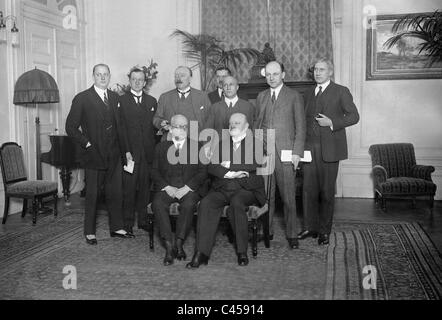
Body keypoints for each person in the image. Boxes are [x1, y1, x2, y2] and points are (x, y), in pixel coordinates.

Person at [186, 113, 266, 268]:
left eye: (237, 122)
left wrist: (228, 164)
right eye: (231, 122)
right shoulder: (222, 144)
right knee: (206, 203)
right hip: (223, 187)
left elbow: (253, 163)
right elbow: (212, 167)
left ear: (246, 126)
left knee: (237, 203)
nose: (233, 125)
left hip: (245, 188)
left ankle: (242, 252)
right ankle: (201, 253)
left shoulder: (255, 143)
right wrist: (230, 172)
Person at [66, 64, 132, 245]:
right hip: (94, 155)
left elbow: (121, 128)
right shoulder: (82, 98)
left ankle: (117, 227)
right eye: (98, 74)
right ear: (93, 76)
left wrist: (126, 152)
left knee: (115, 193)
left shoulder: (114, 97)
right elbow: (70, 127)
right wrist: (86, 143)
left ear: (109, 76)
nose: (102, 77)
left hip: (115, 154)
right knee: (93, 195)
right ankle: (89, 232)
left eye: (105, 74)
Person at [298, 58, 359, 245]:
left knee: (326, 192)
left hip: (330, 150)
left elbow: (354, 116)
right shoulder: (307, 93)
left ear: (330, 72)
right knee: (308, 191)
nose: (318, 73)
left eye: (322, 70)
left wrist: (332, 122)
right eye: (316, 69)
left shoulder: (341, 91)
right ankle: (310, 227)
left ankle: (324, 230)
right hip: (309, 149)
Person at [254, 61, 306, 249]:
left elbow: (301, 127)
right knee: (266, 197)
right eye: (268, 74)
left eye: (275, 74)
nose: (271, 77)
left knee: (288, 197)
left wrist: (297, 153)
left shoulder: (294, 96)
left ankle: (292, 234)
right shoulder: (261, 96)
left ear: (283, 74)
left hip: (286, 154)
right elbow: (257, 124)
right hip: (265, 153)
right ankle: (266, 231)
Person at [151, 115, 208, 266]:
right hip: (167, 188)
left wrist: (187, 188)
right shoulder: (161, 147)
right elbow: (154, 171)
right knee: (157, 204)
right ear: (170, 128)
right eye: (177, 126)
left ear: (187, 129)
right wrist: (167, 187)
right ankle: (169, 247)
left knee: (189, 205)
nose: (181, 129)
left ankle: (179, 243)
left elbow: (203, 172)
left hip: (188, 189)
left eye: (184, 127)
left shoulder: (197, 146)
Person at [119, 67, 158, 236]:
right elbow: (120, 129)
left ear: (145, 82)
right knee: (128, 190)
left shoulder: (151, 101)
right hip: (130, 154)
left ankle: (143, 221)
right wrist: (126, 151)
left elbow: (155, 129)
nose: (137, 82)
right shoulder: (121, 101)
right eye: (134, 79)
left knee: (144, 189)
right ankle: (127, 224)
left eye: (140, 79)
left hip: (148, 154)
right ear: (129, 81)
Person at [153, 66, 211, 139]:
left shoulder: (203, 96)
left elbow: (210, 121)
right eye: (176, 76)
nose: (178, 78)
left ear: (190, 78)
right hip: (171, 141)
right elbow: (156, 119)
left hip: (196, 142)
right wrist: (161, 123)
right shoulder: (165, 97)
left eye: (182, 75)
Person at [205, 76, 256, 142]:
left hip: (243, 148)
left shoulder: (248, 106)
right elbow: (208, 130)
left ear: (237, 87)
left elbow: (252, 129)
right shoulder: (215, 108)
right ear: (222, 88)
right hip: (220, 148)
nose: (228, 88)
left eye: (231, 85)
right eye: (225, 85)